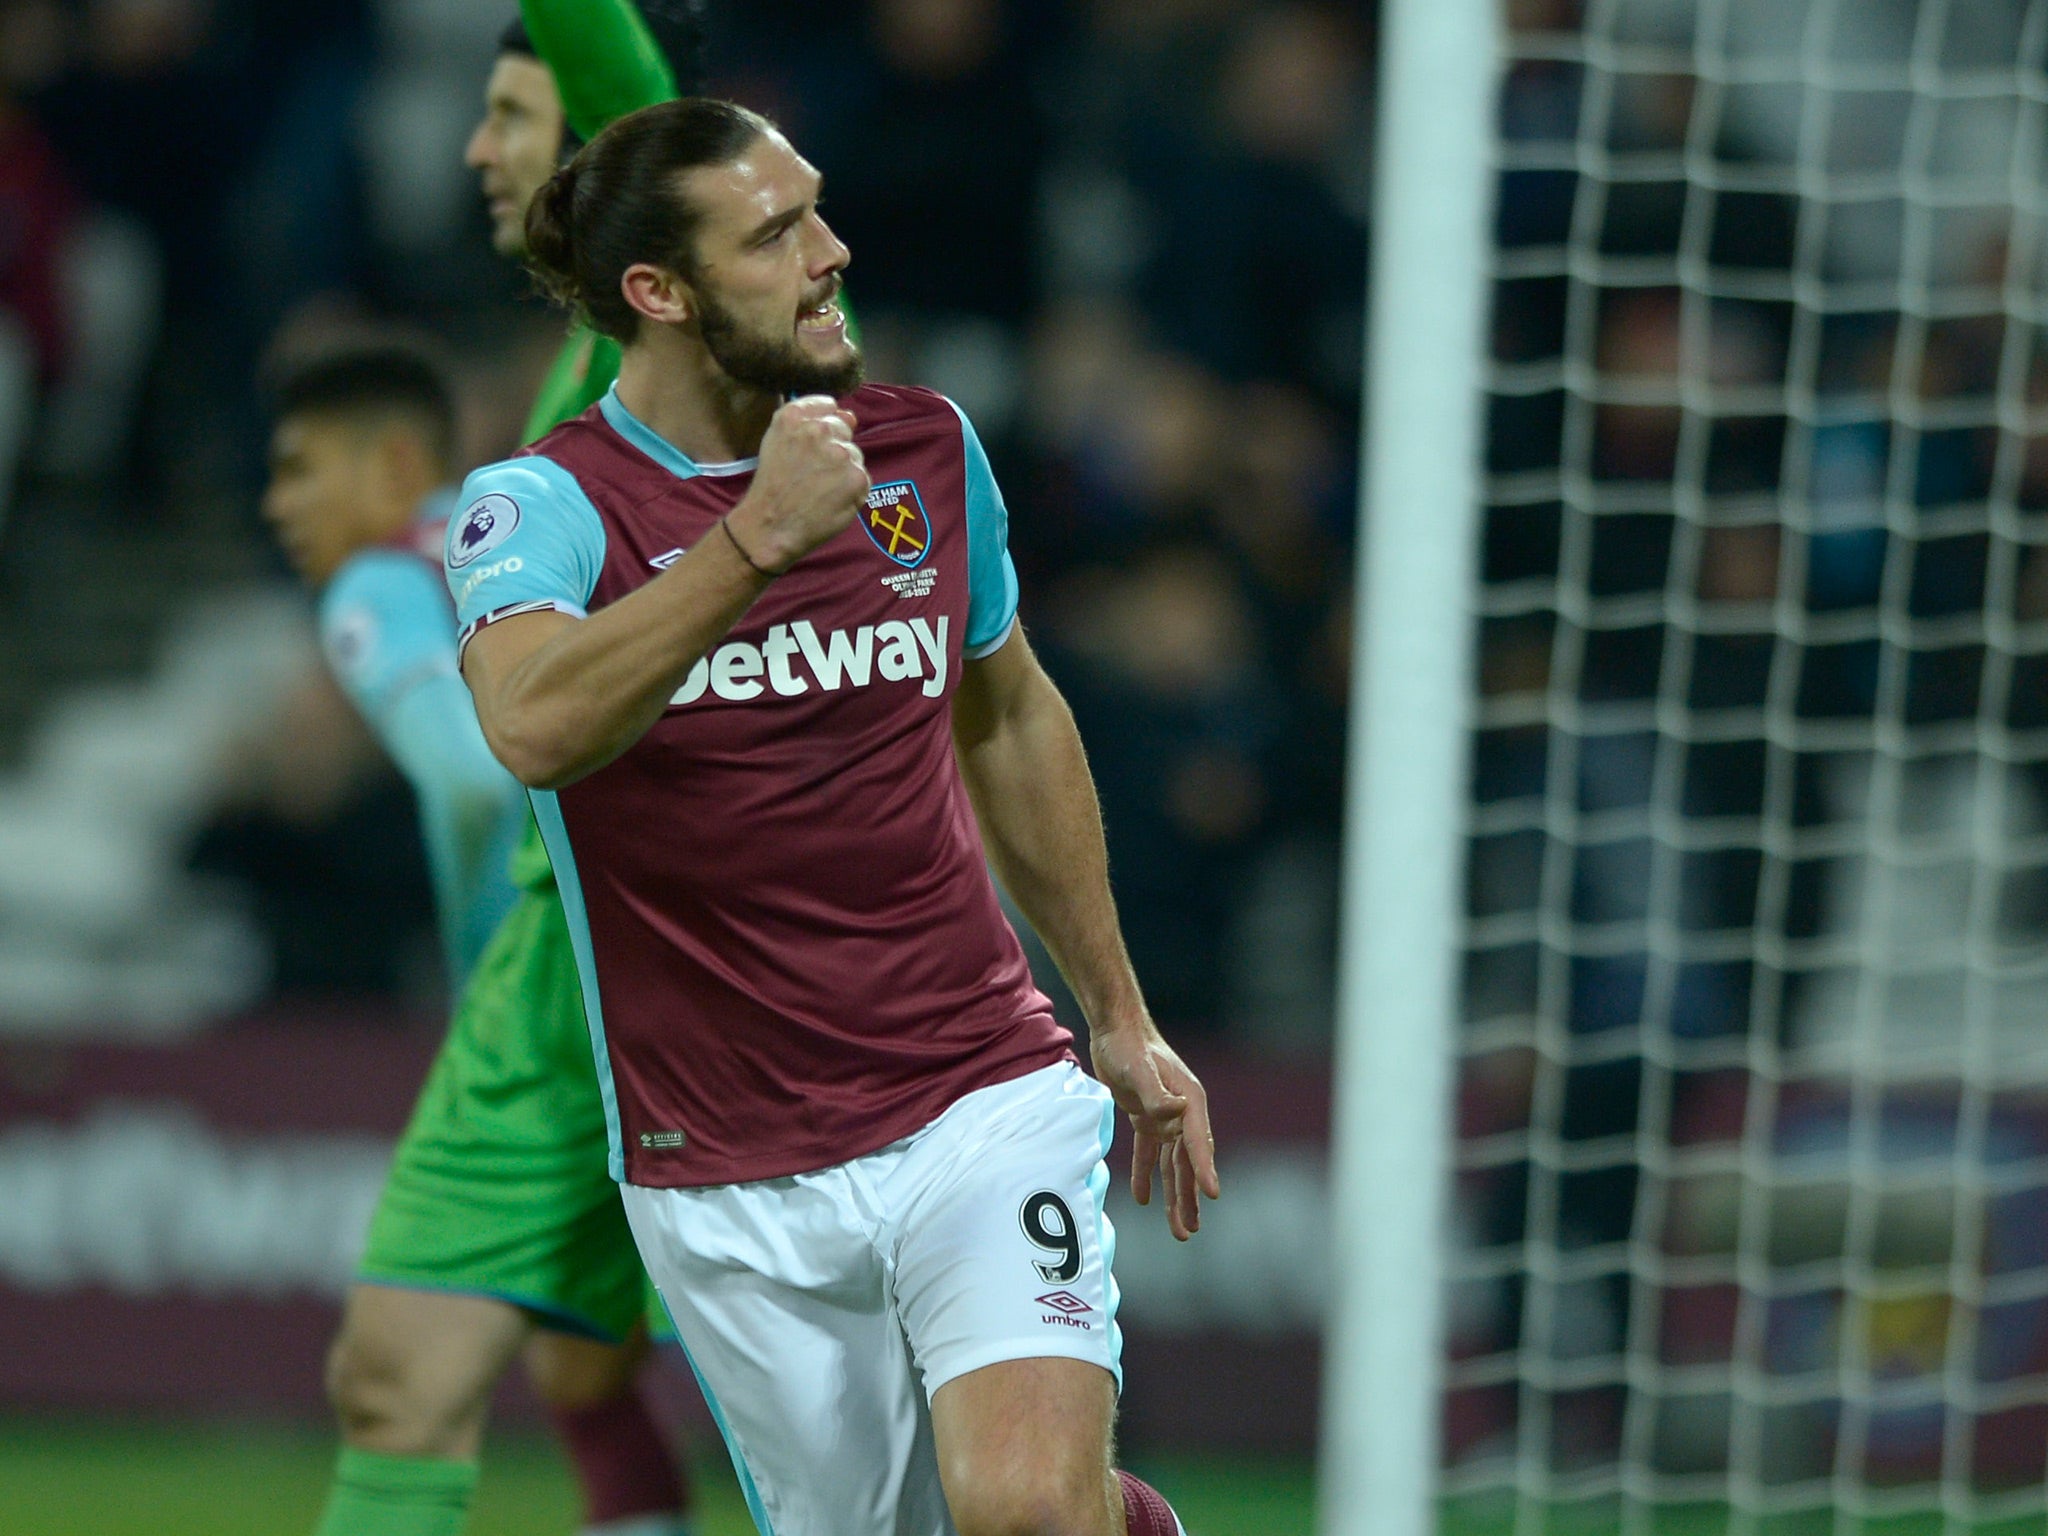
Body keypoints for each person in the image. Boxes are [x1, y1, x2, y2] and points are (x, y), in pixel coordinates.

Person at [451, 98, 1219, 1536]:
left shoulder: (923, 451)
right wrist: (753, 543)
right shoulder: (544, 506)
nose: (831, 252)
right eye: (776, 231)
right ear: (658, 295)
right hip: (722, 1167)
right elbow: (534, 725)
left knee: (1023, 1516)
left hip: (971, 1097)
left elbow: (1007, 711)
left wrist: (1117, 1011)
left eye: (815, 207)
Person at [304, 7, 710, 1535]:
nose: (476, 147)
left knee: (825, 1439)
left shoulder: (650, 323)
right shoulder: (573, 371)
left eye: (513, 113)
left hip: (673, 953)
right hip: (584, 955)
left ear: (603, 155)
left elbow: (635, 94)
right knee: (490, 1374)